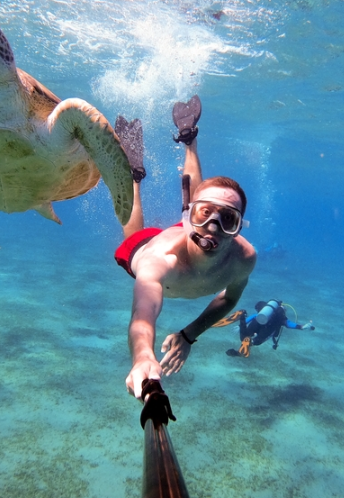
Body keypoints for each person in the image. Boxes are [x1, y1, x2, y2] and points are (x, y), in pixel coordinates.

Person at [113, 96, 257, 400]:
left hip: (185, 233)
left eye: (228, 219)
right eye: (204, 215)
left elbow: (229, 298)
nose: (213, 227)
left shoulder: (244, 258)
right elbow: (142, 314)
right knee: (134, 234)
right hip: (156, 246)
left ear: (238, 229)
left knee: (204, 201)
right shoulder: (158, 261)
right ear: (188, 218)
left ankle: (189, 139)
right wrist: (143, 356)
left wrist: (189, 334)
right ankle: (135, 176)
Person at [216, 299, 315, 358]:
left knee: (245, 334)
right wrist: (302, 327)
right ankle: (251, 342)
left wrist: (241, 324)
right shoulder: (280, 317)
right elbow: (289, 324)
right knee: (257, 341)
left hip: (258, 321)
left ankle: (242, 315)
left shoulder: (265, 311)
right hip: (268, 329)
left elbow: (254, 316)